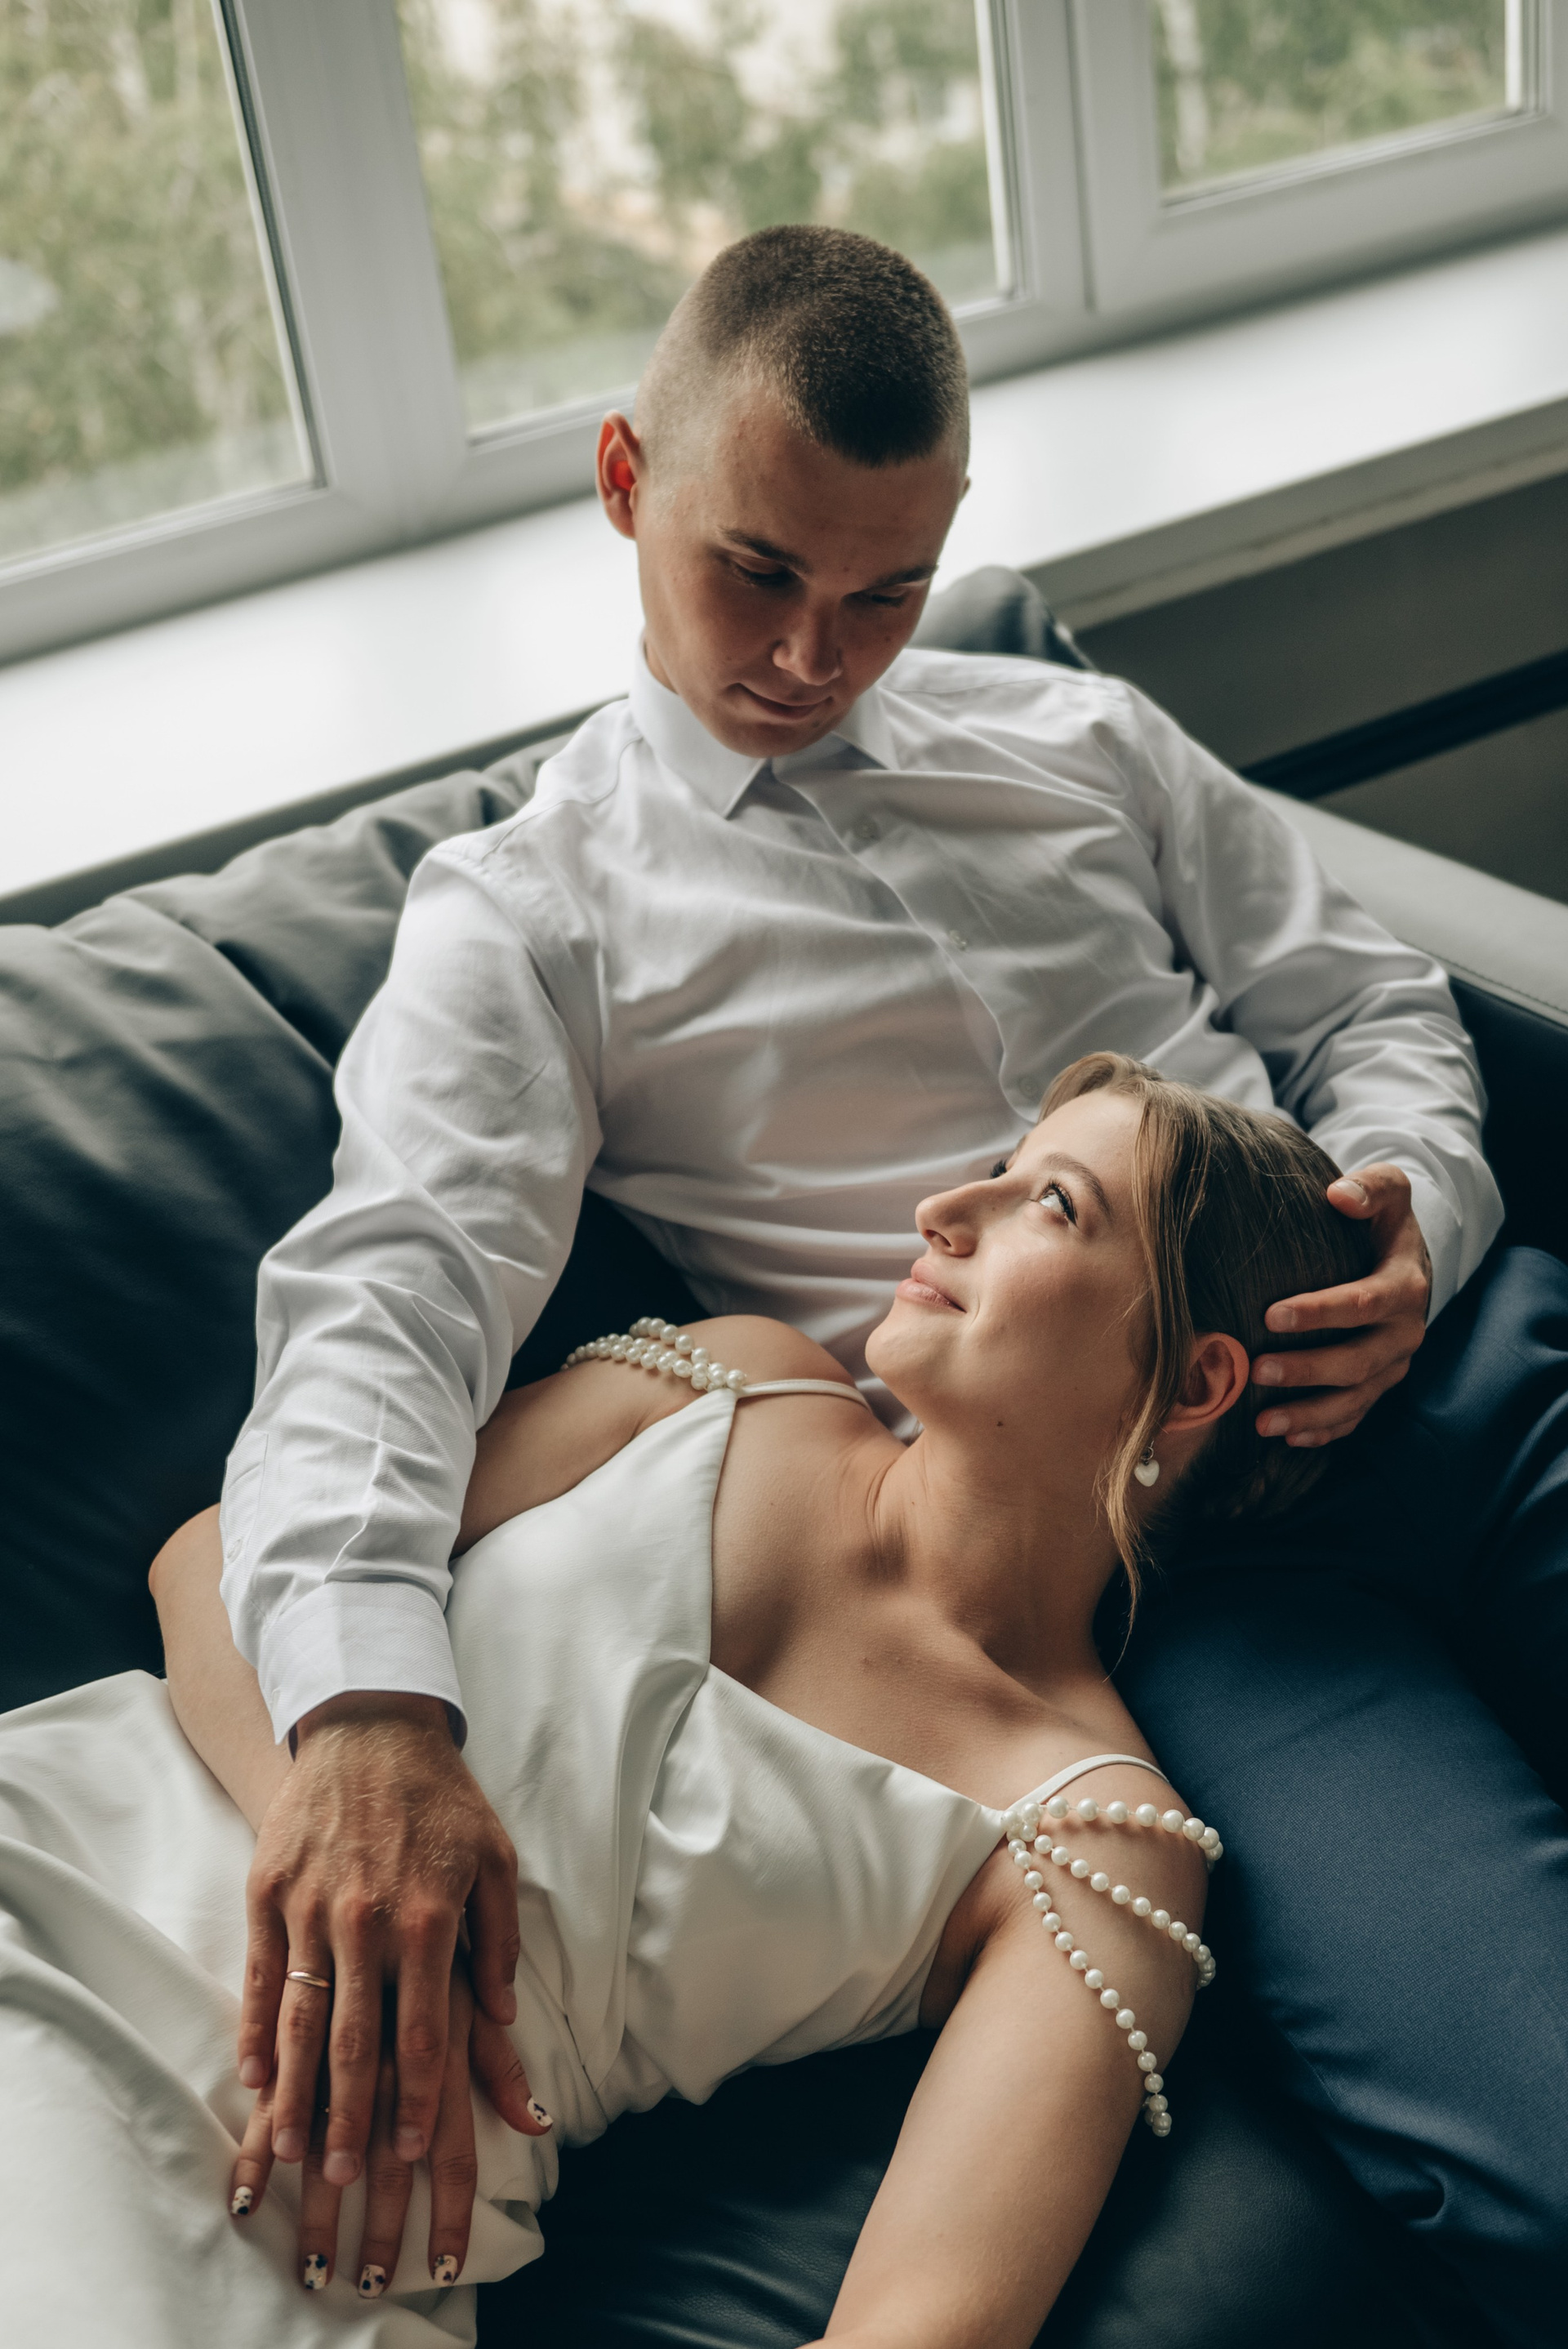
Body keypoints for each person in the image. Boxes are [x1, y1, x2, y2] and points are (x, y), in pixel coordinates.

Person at [212, 226, 1568, 2338]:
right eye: (759, 571)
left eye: (886, 594)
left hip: (1478, 1364)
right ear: (626, 479)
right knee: (1541, 2155)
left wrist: (1425, 1213)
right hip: (1194, 1575)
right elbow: (389, 1295)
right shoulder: (536, 918)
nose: (811, 656)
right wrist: (366, 1706)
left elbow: (1367, 997)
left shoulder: (1080, 736)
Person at [3, 1059, 1370, 2341]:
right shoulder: (738, 1380)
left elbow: (921, 2329)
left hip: (327, 2240)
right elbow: (212, 1559)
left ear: (1195, 1380)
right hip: (64, 1899)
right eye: (997, 1168)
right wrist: (354, 1836)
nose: (948, 1211)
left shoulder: (1095, 1844)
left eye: (1052, 1206)